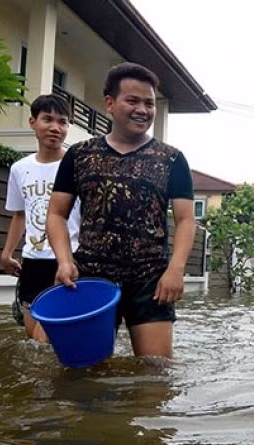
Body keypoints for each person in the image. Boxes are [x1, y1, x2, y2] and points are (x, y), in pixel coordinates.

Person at [45, 62, 196, 359]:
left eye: (149, 103)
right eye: (133, 101)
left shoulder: (172, 159)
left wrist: (175, 270)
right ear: (110, 104)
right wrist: (64, 261)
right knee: (83, 375)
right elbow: (56, 214)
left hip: (151, 279)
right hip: (90, 277)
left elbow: (185, 220)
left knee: (155, 376)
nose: (143, 110)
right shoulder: (79, 155)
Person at [0, 94, 80, 342]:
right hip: (32, 261)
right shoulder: (20, 168)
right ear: (33, 121)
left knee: (44, 340)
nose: (56, 127)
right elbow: (19, 214)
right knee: (33, 342)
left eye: (63, 122)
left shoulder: (77, 165)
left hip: (68, 260)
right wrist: (7, 253)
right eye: (48, 119)